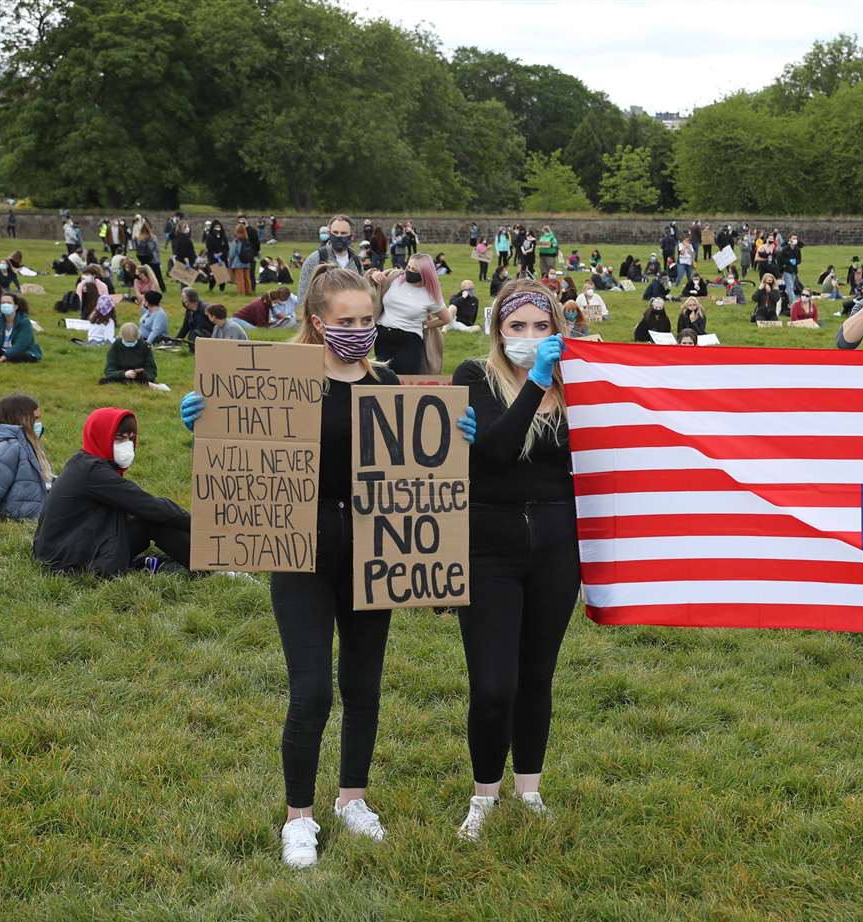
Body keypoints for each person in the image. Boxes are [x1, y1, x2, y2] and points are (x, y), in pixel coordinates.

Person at [180, 266, 470, 868]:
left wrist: (464, 435)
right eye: (346, 322)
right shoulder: (279, 382)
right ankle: (299, 817)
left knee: (363, 685)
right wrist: (208, 418)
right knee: (310, 690)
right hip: (300, 549)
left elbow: (423, 469)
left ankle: (352, 800)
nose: (360, 331)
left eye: (368, 320)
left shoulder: (391, 381)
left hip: (375, 547)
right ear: (317, 323)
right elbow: (243, 445)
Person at [449, 282, 581, 834]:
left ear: (557, 329)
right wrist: (536, 383)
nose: (529, 337)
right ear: (498, 330)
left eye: (541, 326)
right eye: (517, 327)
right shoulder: (473, 376)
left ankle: (529, 786)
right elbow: (496, 452)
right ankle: (484, 796)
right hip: (487, 539)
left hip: (556, 539)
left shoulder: (580, 381)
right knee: (492, 682)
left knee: (537, 674)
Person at [32, 407, 191, 575]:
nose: (128, 445)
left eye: (131, 438)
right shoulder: (93, 471)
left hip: (61, 550)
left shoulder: (83, 462)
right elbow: (147, 505)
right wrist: (196, 524)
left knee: (146, 516)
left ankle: (183, 558)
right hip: (69, 561)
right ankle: (208, 563)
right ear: (102, 436)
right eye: (119, 438)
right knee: (151, 520)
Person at [373, 253, 450, 375]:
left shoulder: (431, 294)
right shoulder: (394, 279)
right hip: (383, 336)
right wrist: (375, 274)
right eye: (408, 267)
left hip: (409, 340)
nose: (409, 271)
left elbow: (446, 318)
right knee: (383, 377)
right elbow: (372, 283)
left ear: (425, 273)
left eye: (414, 269)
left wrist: (426, 326)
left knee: (406, 378)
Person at [297, 216, 365, 302]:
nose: (339, 236)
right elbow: (303, 296)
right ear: (329, 233)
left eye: (343, 233)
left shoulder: (356, 261)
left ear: (352, 236)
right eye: (335, 232)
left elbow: (362, 292)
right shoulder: (315, 259)